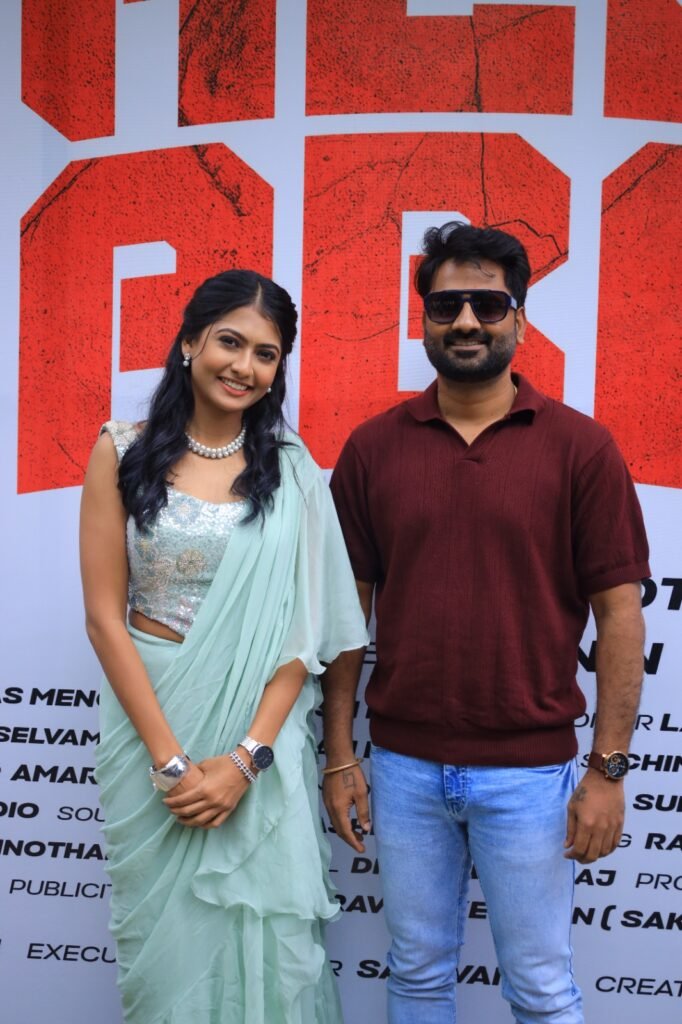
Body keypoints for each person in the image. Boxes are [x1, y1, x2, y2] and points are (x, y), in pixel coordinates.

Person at [322, 222, 649, 1024]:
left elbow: (619, 617)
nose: (466, 321)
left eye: (488, 304)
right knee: (416, 975)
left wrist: (607, 772)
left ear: (519, 321)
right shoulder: (372, 450)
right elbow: (346, 616)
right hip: (404, 771)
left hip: (531, 776)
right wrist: (339, 754)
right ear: (424, 322)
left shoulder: (581, 448)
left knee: (540, 988)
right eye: (446, 306)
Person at [80, 269, 368, 1024]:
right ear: (189, 343)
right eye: (229, 343)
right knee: (165, 961)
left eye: (266, 354)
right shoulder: (121, 450)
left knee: (265, 946)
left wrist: (245, 762)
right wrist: (171, 764)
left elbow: (305, 634)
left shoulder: (293, 471)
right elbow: (105, 618)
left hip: (257, 736)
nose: (244, 366)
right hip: (151, 730)